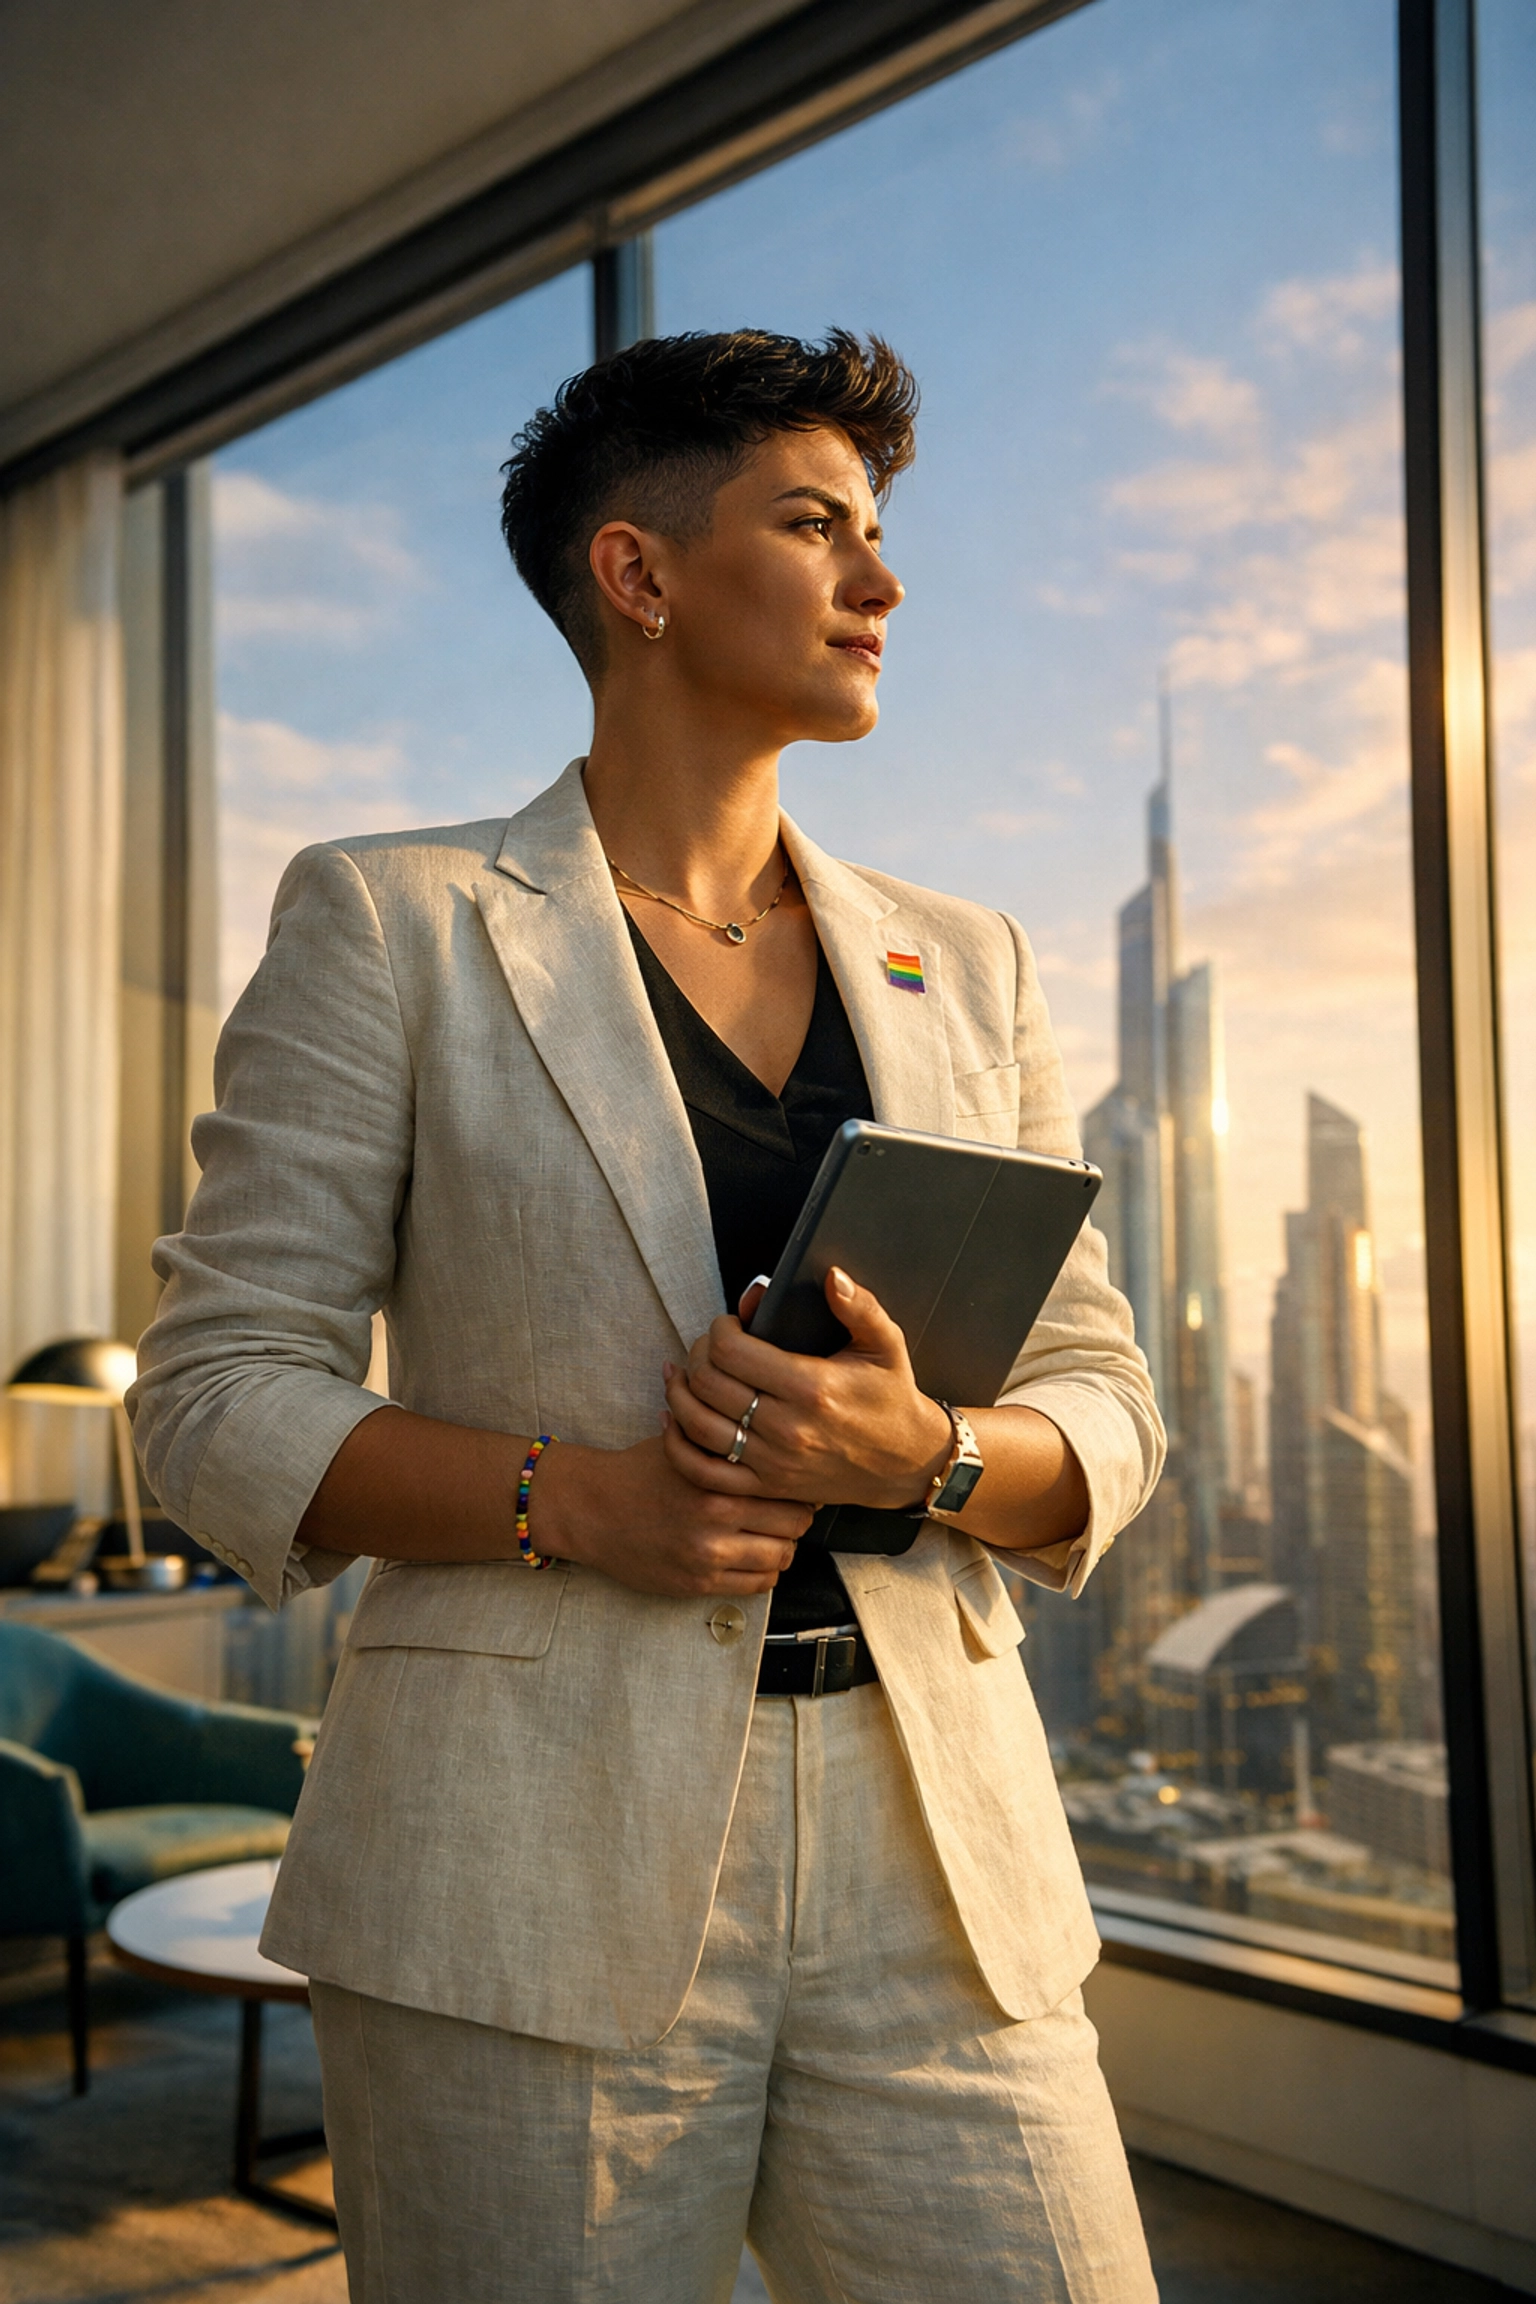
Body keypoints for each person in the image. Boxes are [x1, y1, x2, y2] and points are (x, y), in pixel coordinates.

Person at [132, 329, 1164, 2303]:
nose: (884, 580)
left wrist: (929, 1456)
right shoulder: (391, 921)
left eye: (880, 535)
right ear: (639, 573)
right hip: (522, 1863)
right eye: (816, 525)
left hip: (938, 1868)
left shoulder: (971, 959)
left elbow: (1099, 1400)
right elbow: (214, 1403)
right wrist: (582, 1503)